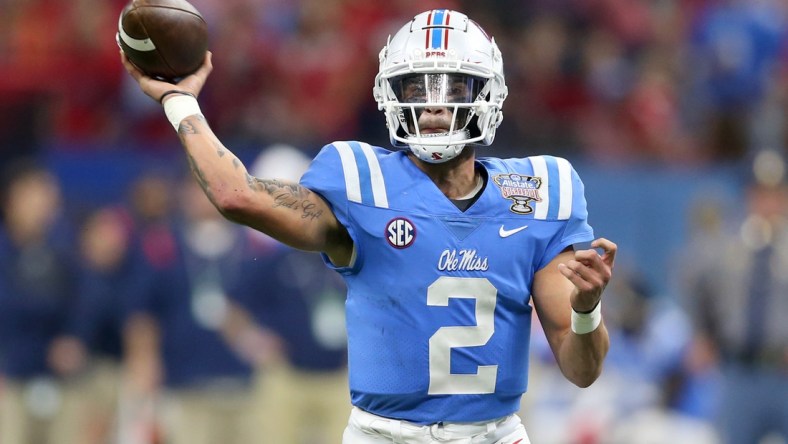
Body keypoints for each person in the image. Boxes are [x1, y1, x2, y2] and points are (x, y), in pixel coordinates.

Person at [120, 9, 617, 443]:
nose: (436, 104)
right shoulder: (361, 181)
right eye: (418, 86)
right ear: (391, 96)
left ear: (488, 94)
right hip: (385, 436)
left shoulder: (540, 191)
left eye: (454, 85)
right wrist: (180, 101)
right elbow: (236, 195)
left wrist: (587, 310)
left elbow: (581, 369)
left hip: (495, 434)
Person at [679, 149, 788, 444]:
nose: (767, 203)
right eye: (760, 194)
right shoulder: (726, 246)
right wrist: (703, 333)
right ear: (748, 196)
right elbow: (696, 284)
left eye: (775, 194)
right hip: (739, 369)